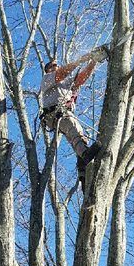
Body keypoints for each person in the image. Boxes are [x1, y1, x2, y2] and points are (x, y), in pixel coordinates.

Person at [40, 45, 109, 186]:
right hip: (55, 114)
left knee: (78, 135)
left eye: (57, 65)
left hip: (63, 113)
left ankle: (83, 171)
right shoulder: (47, 79)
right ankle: (85, 154)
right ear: (48, 69)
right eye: (53, 66)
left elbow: (81, 79)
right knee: (74, 127)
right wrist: (81, 59)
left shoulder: (65, 83)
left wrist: (93, 61)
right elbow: (62, 73)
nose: (56, 67)